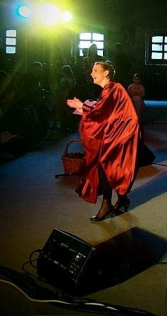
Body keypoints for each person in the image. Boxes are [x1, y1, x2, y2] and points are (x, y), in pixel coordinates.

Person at [67, 61, 140, 221]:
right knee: (108, 165)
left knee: (108, 164)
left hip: (121, 133)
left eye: (96, 70)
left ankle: (110, 202)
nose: (92, 73)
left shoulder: (113, 88)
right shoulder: (110, 89)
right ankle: (120, 199)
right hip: (116, 131)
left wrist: (82, 107)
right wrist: (84, 108)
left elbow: (100, 111)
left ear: (106, 73)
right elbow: (104, 111)